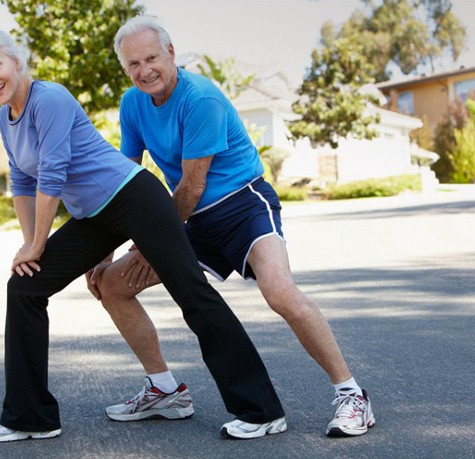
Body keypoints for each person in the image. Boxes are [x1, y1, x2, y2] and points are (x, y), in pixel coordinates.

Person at [0, 27, 286, 443]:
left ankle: (261, 410)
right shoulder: (5, 118)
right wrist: (30, 248)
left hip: (135, 198)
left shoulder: (51, 99)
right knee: (25, 287)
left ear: (16, 61)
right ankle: (31, 417)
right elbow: (24, 182)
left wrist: (38, 243)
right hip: (95, 214)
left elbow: (53, 177)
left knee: (192, 293)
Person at [87, 15, 375, 438]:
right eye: (133, 64)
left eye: (151, 57)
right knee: (111, 284)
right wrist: (105, 253)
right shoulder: (132, 104)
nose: (144, 69)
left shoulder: (200, 98)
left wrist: (151, 242)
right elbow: (124, 180)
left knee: (279, 292)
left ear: (170, 52)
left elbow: (192, 184)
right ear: (124, 68)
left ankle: (351, 395)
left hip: (242, 206)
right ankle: (164, 390)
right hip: (190, 221)